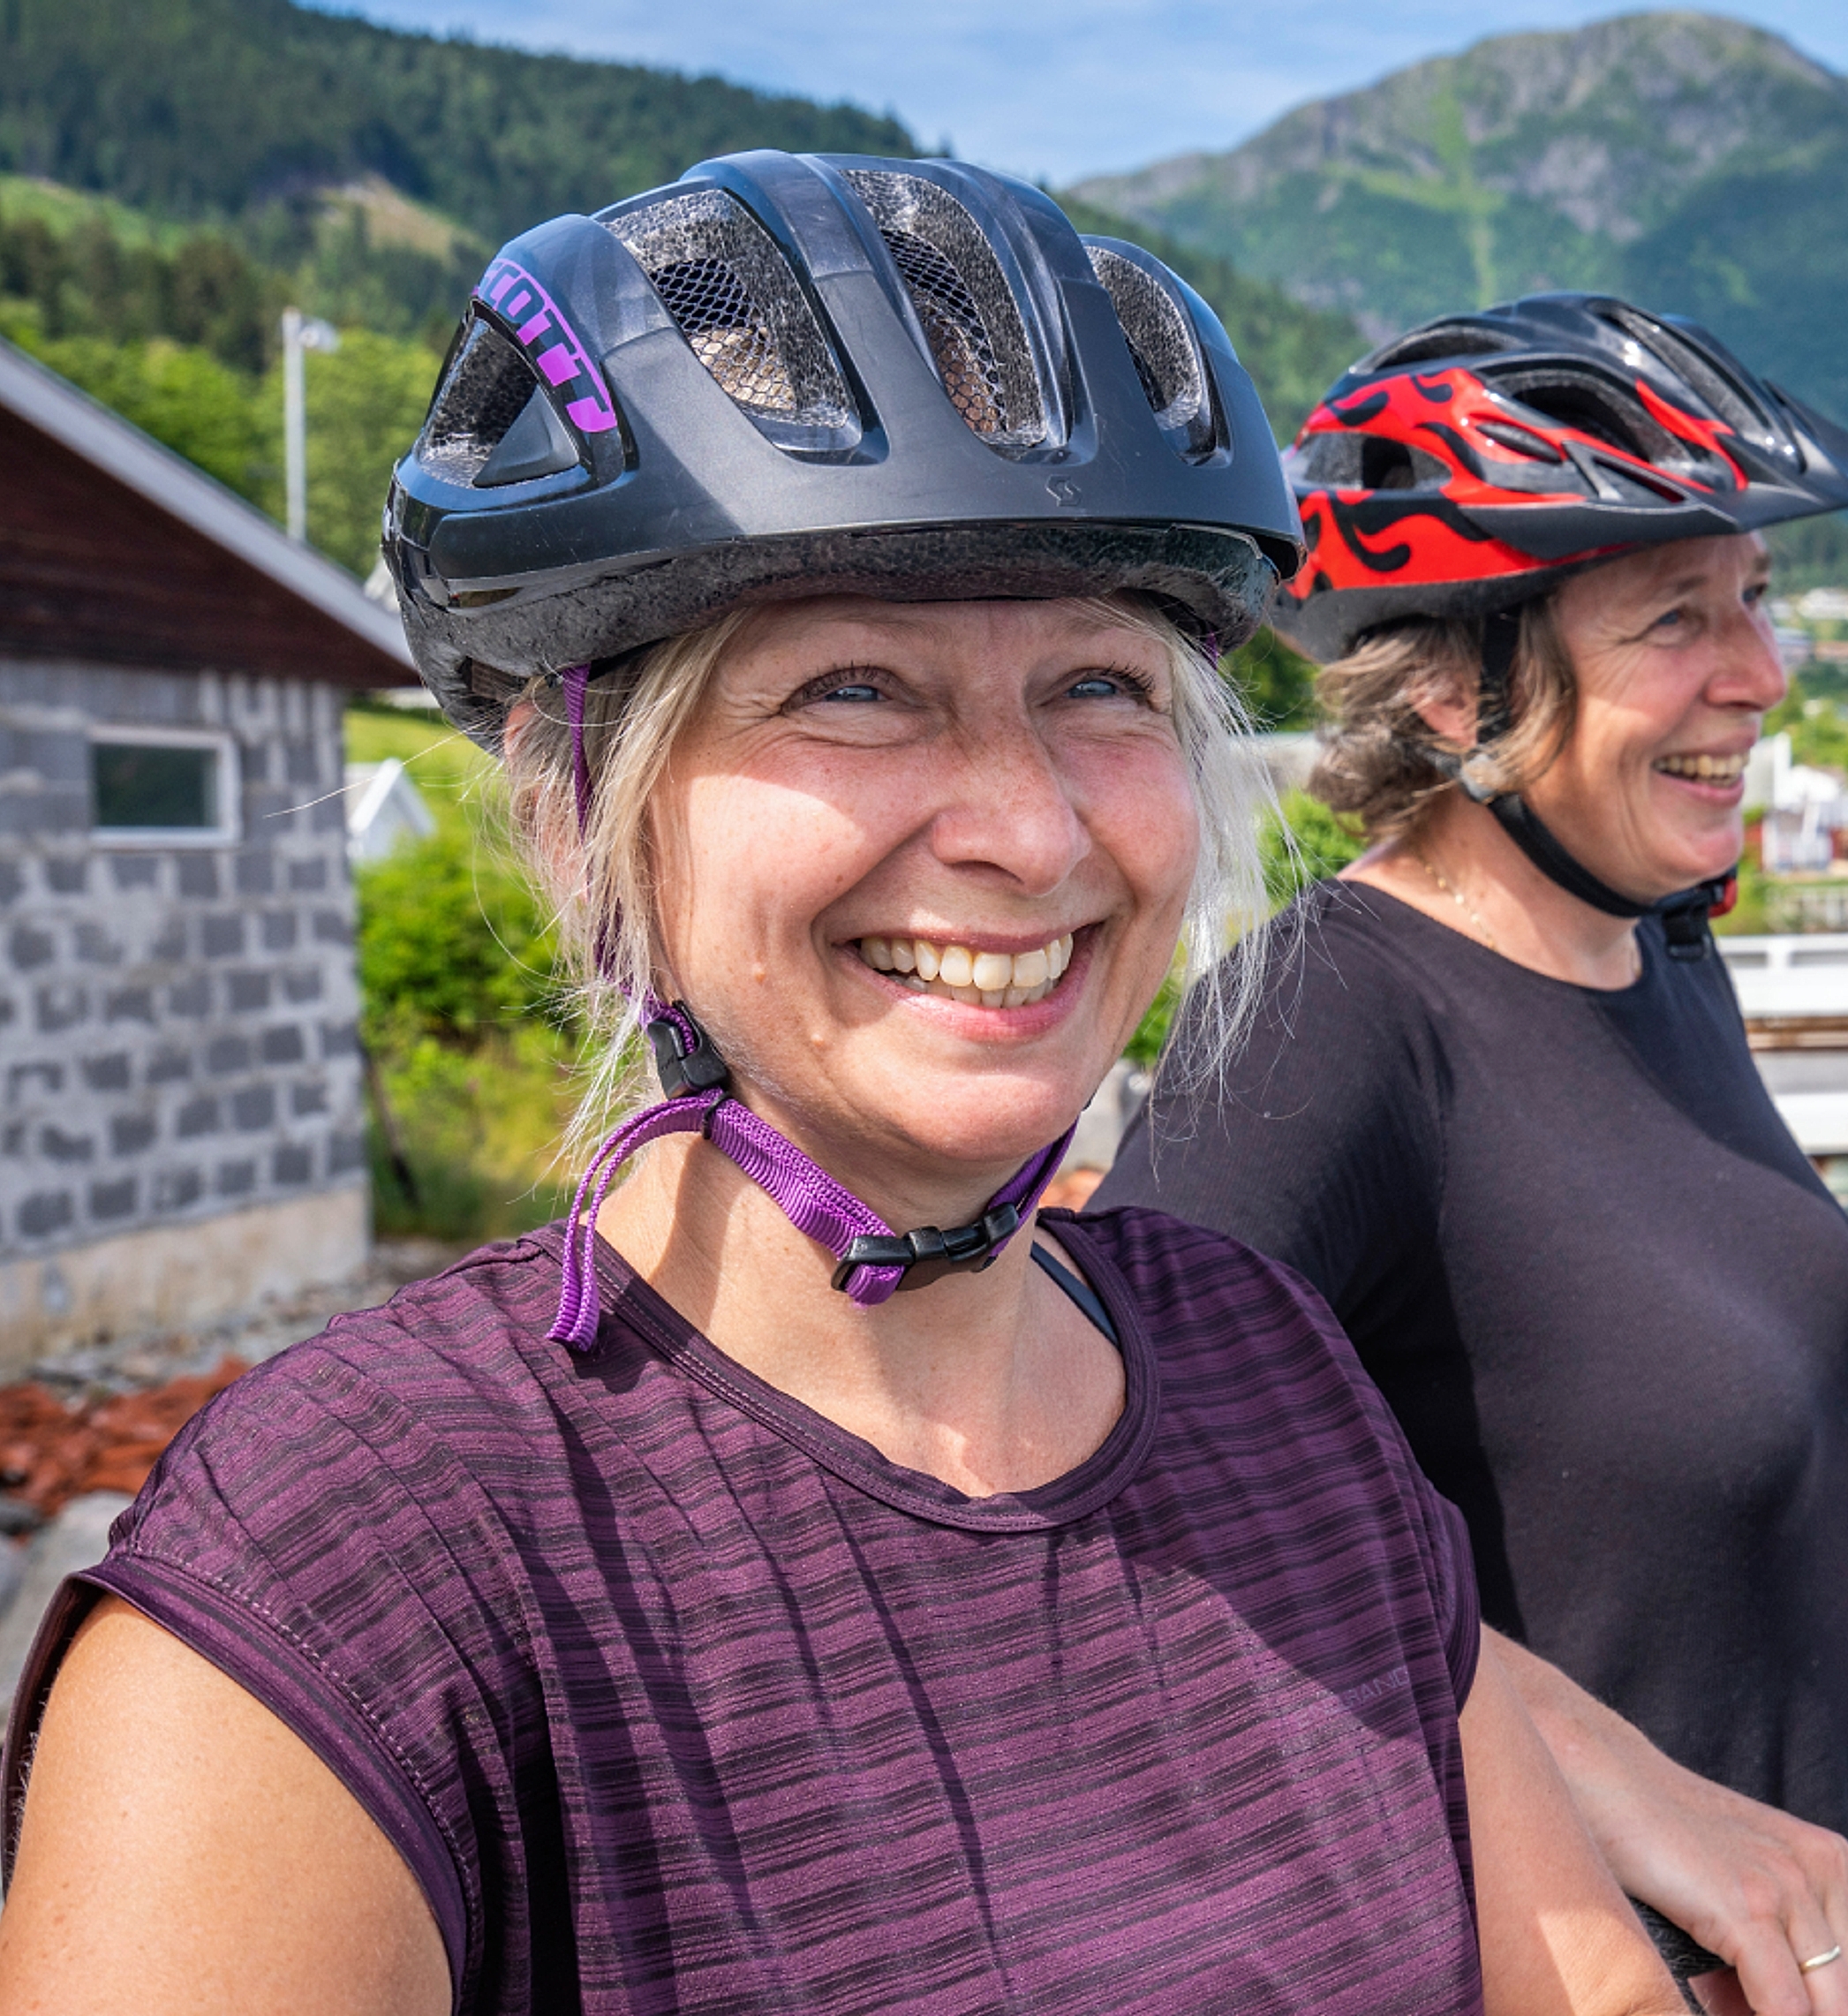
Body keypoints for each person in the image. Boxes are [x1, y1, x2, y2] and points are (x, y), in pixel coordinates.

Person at [0, 156, 1677, 2016]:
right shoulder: (361, 1562)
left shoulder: (1269, 1376)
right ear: (586, 815)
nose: (1030, 828)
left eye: (1102, 687)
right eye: (856, 690)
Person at [1098, 295, 1848, 2016]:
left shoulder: (1660, 954)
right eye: (1675, 617)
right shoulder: (1329, 1019)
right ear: (1462, 676)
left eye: (1758, 601)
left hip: (1840, 1957)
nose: (1761, 673)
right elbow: (1140, 1548)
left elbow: (1766, 1386)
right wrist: (1631, 1830)